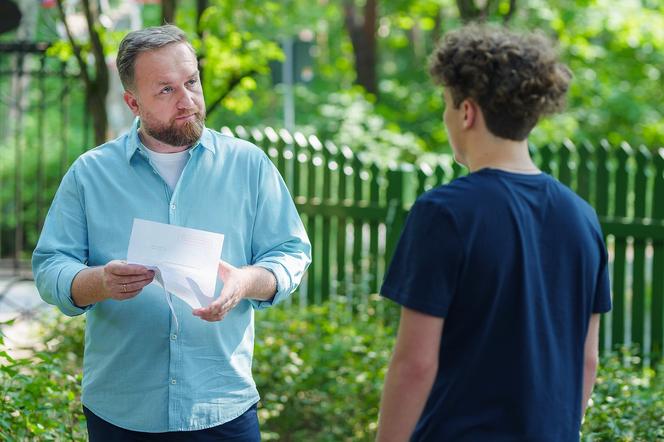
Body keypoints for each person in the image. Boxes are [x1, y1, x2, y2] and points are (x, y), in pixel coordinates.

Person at [32, 24, 311, 441]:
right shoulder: (90, 174)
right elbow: (50, 267)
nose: (188, 100)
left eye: (192, 82)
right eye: (165, 90)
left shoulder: (249, 166)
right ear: (133, 102)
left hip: (222, 407)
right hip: (121, 411)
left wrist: (244, 282)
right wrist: (100, 282)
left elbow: (291, 253)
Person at [376, 24, 611, 442]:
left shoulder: (443, 213)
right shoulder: (583, 218)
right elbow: (587, 359)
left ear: (467, 112)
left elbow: (415, 363)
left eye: (446, 105)